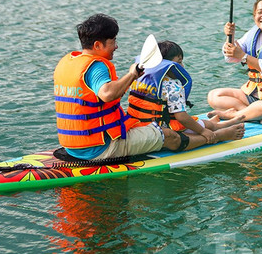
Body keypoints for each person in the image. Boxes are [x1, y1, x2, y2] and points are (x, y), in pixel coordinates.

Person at [54, 15, 238, 161]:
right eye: (113, 41)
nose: (116, 46)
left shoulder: (69, 62)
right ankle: (216, 137)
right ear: (97, 45)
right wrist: (132, 74)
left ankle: (214, 126)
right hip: (101, 148)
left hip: (75, 146)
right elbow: (107, 94)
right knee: (170, 136)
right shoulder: (97, 67)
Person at [124, 40, 243, 151]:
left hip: (138, 126)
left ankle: (224, 123)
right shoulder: (172, 85)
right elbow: (181, 116)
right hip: (161, 128)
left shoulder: (138, 77)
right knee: (191, 132)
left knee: (202, 124)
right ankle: (218, 133)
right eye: (179, 62)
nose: (182, 66)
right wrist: (202, 131)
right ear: (167, 65)